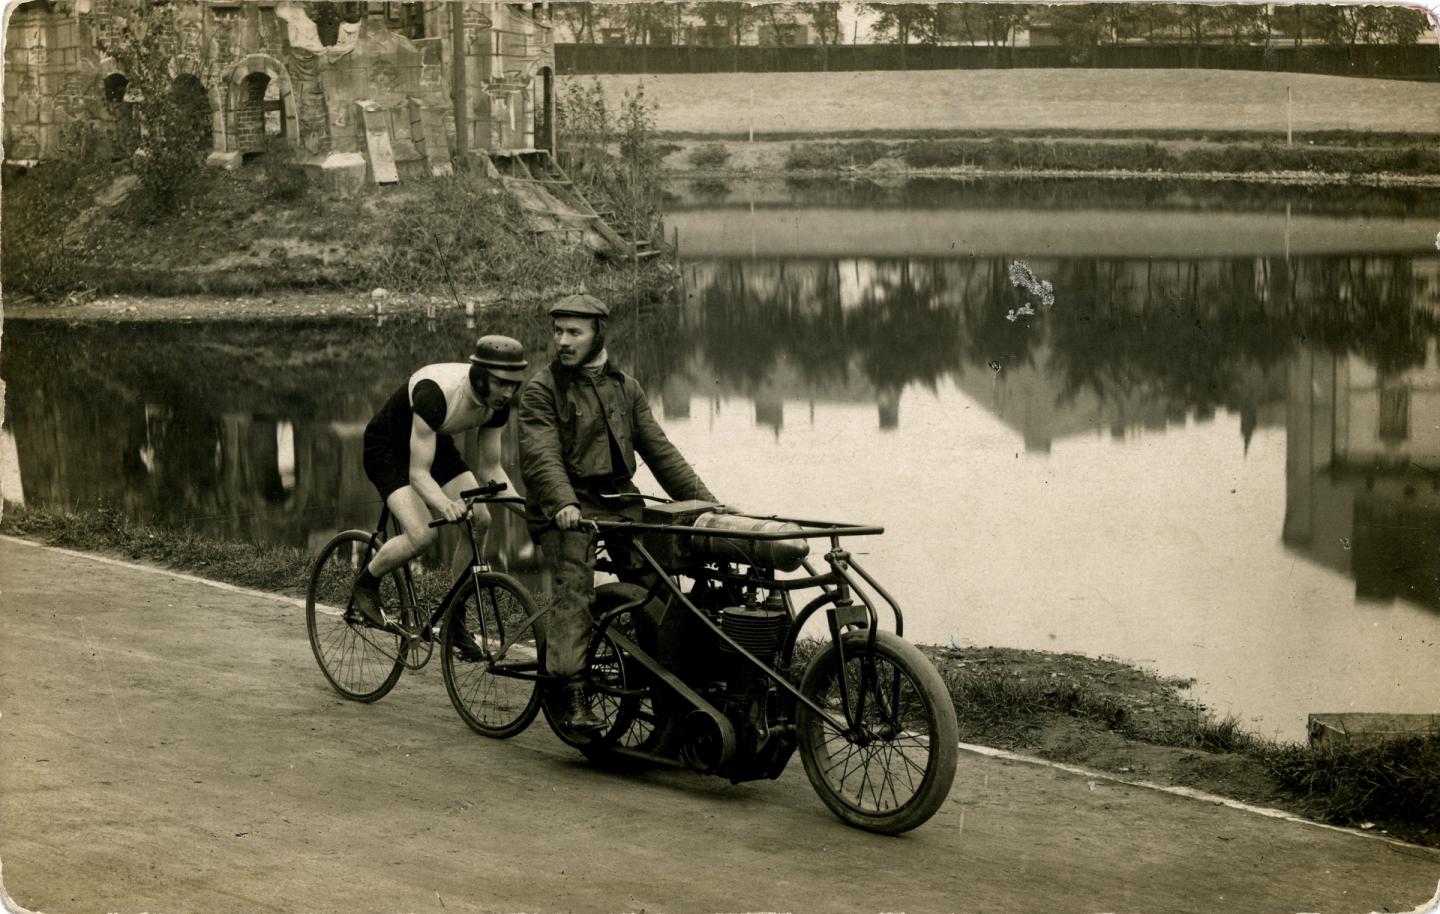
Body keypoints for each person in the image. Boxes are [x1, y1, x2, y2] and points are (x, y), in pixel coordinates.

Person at [518, 293, 717, 732]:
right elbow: (541, 456)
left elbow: (662, 454)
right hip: (564, 507)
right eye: (558, 331)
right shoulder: (540, 390)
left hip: (618, 503)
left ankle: (669, 687)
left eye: (575, 332)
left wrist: (709, 506)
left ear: (597, 335)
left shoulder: (625, 387)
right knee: (577, 586)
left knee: (659, 585)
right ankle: (568, 690)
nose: (563, 341)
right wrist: (564, 504)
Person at [352, 335, 528, 628]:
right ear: (482, 378)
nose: (508, 392)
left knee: (480, 520)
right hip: (388, 449)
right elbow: (418, 474)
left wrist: (527, 510)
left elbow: (491, 469)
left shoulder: (498, 406)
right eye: (501, 383)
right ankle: (366, 582)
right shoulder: (436, 393)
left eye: (514, 384)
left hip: (434, 443)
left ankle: (452, 617)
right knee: (422, 535)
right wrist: (445, 505)